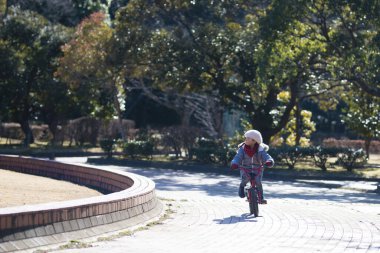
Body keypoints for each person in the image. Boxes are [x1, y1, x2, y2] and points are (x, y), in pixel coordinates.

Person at [230, 129, 274, 204]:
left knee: (258, 182)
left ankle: (261, 198)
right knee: (245, 179)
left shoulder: (260, 149)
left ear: (254, 141)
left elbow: (266, 156)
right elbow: (238, 157)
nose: (245, 140)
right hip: (245, 168)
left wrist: (269, 161)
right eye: (245, 138)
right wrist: (235, 163)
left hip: (258, 168)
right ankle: (242, 186)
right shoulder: (242, 149)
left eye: (247, 138)